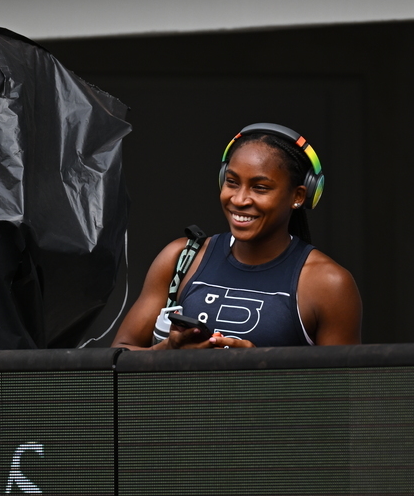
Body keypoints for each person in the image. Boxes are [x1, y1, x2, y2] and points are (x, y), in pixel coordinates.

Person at [114, 123, 362, 349]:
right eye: (232, 182)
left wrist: (256, 370)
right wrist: (168, 352)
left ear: (298, 196)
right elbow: (118, 357)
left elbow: (339, 393)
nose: (239, 199)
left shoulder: (328, 283)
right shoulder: (181, 258)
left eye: (260, 187)